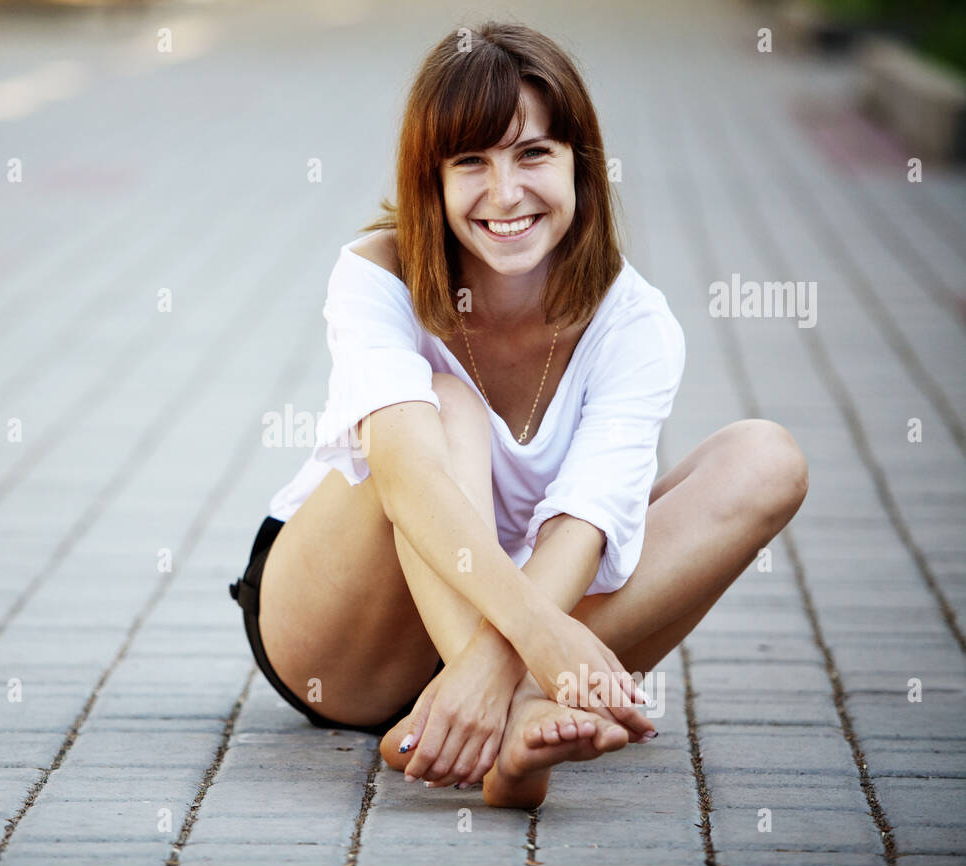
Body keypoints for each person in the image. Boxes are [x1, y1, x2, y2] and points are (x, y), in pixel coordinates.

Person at [228, 21, 808, 809]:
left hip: (531, 628)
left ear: (581, 165)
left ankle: (500, 719)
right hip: (343, 632)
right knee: (448, 405)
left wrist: (505, 660)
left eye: (533, 154)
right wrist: (540, 642)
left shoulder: (635, 325)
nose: (506, 194)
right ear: (430, 181)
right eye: (472, 162)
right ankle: (512, 710)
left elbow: (587, 521)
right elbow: (402, 474)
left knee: (766, 456)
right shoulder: (376, 274)